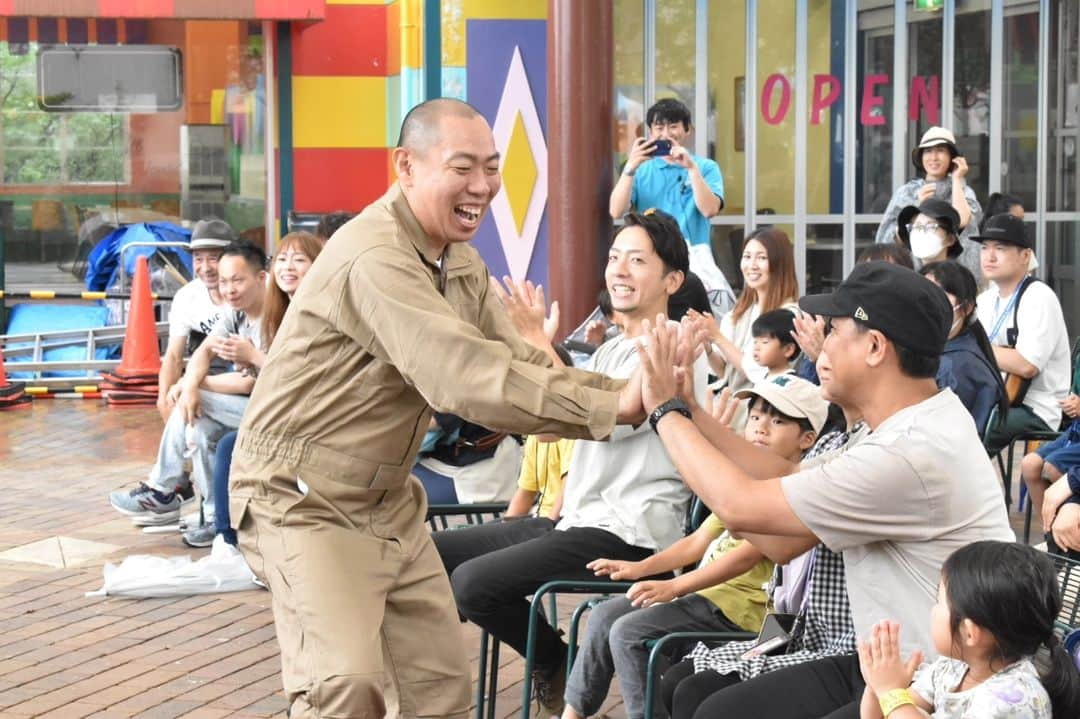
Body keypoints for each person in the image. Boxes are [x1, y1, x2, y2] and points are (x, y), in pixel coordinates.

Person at [227, 98, 645, 719]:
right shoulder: (375, 256)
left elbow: (516, 362)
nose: (482, 186)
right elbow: (462, 379)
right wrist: (620, 407)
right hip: (301, 497)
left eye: (493, 168)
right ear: (406, 166)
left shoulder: (460, 263)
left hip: (389, 501)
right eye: (463, 167)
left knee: (437, 690)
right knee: (343, 688)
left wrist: (623, 393)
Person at [636, 260, 1013, 718]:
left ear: (875, 347)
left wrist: (663, 412)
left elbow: (740, 506)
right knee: (703, 699)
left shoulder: (907, 453)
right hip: (887, 662)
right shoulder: (906, 426)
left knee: (719, 712)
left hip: (929, 684)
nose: (820, 345)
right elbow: (784, 495)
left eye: (833, 331)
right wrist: (688, 409)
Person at [435, 208, 708, 716]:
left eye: (637, 260)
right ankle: (545, 662)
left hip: (631, 531)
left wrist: (538, 344)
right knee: (426, 555)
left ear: (673, 279)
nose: (619, 270)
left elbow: (620, 411)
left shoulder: (673, 346)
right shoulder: (609, 350)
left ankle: (554, 660)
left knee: (473, 585)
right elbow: (552, 416)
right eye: (613, 258)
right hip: (576, 520)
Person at [561, 375, 826, 719]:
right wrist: (641, 569)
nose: (761, 427)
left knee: (628, 632)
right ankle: (573, 713)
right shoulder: (740, 481)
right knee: (604, 614)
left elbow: (744, 558)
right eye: (757, 417)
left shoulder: (789, 491)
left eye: (777, 421)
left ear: (807, 439)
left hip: (741, 610)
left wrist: (674, 586)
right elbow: (699, 542)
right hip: (707, 598)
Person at [109, 240, 269, 527]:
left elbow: (248, 384)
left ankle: (163, 488)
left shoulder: (276, 317)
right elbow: (203, 352)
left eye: (237, 281)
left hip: (274, 414)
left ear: (261, 278)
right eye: (224, 281)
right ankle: (213, 518)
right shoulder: (236, 312)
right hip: (247, 408)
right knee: (200, 430)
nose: (229, 289)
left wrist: (193, 387)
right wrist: (189, 382)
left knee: (192, 401)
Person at [183, 231, 325, 548]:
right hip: (277, 412)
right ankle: (222, 530)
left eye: (300, 260)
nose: (288, 267)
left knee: (220, 433)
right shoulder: (280, 308)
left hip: (305, 419)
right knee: (206, 430)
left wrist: (252, 358)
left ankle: (220, 530)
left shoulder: (315, 311)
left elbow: (303, 377)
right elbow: (207, 353)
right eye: (284, 259)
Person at [856, 541, 1080, 719]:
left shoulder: (1013, 698)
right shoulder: (951, 668)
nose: (933, 610)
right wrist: (877, 688)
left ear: (970, 632)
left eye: (939, 601)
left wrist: (891, 693)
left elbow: (898, 708)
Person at [609, 97, 731, 294]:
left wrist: (691, 168)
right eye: (659, 128)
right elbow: (616, 210)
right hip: (651, 257)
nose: (666, 134)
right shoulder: (640, 170)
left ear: (687, 130)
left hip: (694, 261)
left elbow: (710, 210)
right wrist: (630, 167)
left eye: (673, 126)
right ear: (650, 132)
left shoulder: (706, 167)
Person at [974, 213, 1070, 455]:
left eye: (1001, 248)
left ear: (1025, 256)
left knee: (978, 426)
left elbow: (1027, 365)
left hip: (1036, 407)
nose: (990, 255)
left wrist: (977, 348)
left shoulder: (1038, 297)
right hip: (998, 397)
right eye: (985, 248)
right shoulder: (986, 300)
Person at [688, 227, 798, 412]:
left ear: (780, 263)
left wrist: (718, 337)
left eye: (761, 258)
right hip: (731, 408)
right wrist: (707, 344)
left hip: (764, 412)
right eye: (747, 257)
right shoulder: (738, 313)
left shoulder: (790, 315)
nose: (752, 265)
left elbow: (758, 371)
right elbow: (724, 370)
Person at [874, 126, 982, 279]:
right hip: (911, 276)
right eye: (928, 151)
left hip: (952, 279)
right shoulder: (907, 192)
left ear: (952, 156)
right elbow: (885, 240)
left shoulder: (962, 191)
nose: (934, 157)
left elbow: (963, 221)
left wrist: (957, 179)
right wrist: (916, 213)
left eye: (940, 151)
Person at [157, 218, 233, 423]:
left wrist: (190, 384)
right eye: (198, 259)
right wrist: (163, 401)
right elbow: (173, 356)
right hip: (207, 371)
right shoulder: (186, 297)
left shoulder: (244, 291)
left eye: (214, 258)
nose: (205, 267)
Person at [919, 260, 1008, 437]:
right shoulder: (946, 352)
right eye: (922, 296)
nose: (927, 305)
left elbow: (941, 436)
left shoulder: (958, 365)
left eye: (939, 297)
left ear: (966, 308)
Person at [504, 433, 574, 521]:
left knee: (485, 533)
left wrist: (548, 526)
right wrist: (506, 523)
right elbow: (526, 492)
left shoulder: (570, 437)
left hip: (560, 522)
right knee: (491, 531)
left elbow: (567, 491)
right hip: (540, 517)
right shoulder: (534, 437)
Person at [895, 198, 964, 265]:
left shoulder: (959, 276)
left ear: (950, 239)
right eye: (916, 227)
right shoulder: (904, 275)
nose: (921, 233)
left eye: (931, 226)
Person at [750, 309, 799, 380]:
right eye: (755, 342)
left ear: (788, 349)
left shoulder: (790, 383)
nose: (756, 347)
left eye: (764, 342)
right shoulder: (766, 378)